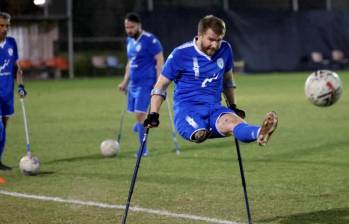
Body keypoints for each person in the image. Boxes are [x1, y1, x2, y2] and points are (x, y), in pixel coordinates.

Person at [144, 15, 278, 146]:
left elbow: (228, 81)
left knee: (235, 123)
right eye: (211, 39)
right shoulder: (180, 54)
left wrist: (233, 107)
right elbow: (160, 86)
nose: (215, 45)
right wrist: (154, 114)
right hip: (187, 111)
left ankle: (260, 133)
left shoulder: (225, 49)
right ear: (199, 34)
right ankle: (199, 131)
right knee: (199, 131)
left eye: (219, 40)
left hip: (214, 109)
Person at [118, 12, 164, 156]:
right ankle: (140, 126)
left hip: (146, 83)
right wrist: (125, 82)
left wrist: (159, 83)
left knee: (140, 114)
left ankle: (144, 149)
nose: (129, 30)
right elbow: (130, 63)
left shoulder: (150, 40)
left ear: (139, 26)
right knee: (137, 116)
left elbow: (160, 60)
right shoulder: (129, 41)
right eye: (127, 27)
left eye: (131, 27)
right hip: (133, 84)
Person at [0, 12, 27, 170]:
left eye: (7, 26)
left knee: (4, 127)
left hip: (7, 94)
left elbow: (17, 68)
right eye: (1, 25)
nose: (5, 29)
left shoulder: (11, 43)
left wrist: (21, 86)